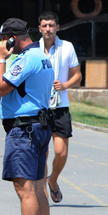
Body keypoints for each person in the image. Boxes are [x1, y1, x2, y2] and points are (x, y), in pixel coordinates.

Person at [0, 18, 54, 215]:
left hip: (24, 131)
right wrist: (7, 97)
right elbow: (24, 90)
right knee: (38, 190)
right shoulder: (41, 56)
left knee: (25, 189)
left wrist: (0, 60)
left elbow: (0, 86)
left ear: (12, 39)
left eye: (3, 41)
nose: (2, 46)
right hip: (39, 126)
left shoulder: (25, 59)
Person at [38, 11, 82, 203]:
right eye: (45, 25)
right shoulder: (34, 49)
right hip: (40, 106)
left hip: (60, 106)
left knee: (61, 152)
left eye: (51, 25)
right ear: (39, 28)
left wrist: (65, 85)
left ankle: (53, 180)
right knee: (42, 151)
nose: (48, 29)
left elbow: (77, 75)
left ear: (57, 27)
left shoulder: (67, 47)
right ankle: (42, 189)